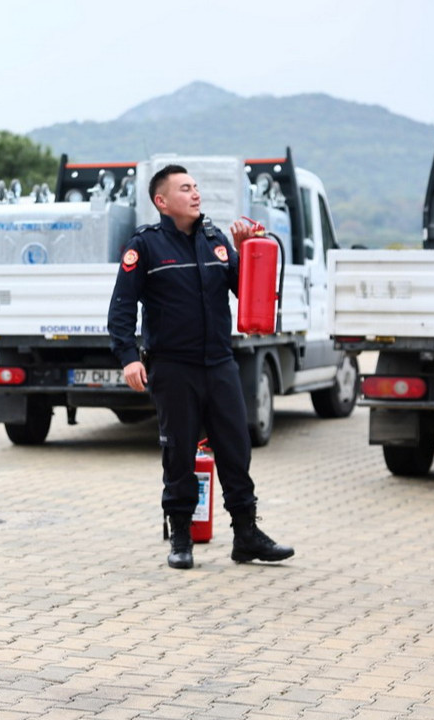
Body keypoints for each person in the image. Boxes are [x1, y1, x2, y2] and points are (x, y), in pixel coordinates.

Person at [107, 164, 294, 570]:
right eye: (185, 188)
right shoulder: (146, 245)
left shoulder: (215, 240)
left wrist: (244, 252)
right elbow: (121, 307)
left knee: (235, 449)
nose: (195, 194)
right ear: (162, 201)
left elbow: (246, 292)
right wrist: (128, 357)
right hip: (173, 367)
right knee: (179, 454)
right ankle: (181, 537)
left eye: (196, 187)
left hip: (220, 363)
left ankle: (246, 535)